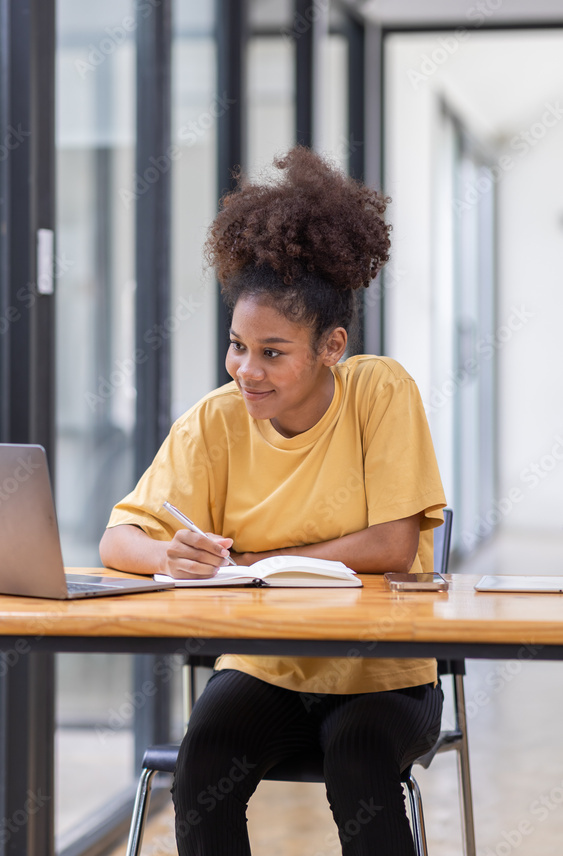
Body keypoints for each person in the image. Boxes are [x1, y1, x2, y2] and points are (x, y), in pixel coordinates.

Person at [100, 146, 446, 855]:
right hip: (264, 669)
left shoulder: (380, 391)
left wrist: (259, 559)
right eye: (236, 346)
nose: (245, 371)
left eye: (272, 352)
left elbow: (390, 543)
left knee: (356, 763)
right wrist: (168, 553)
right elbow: (117, 540)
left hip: (381, 674)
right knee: (201, 766)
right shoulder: (214, 419)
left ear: (330, 346)